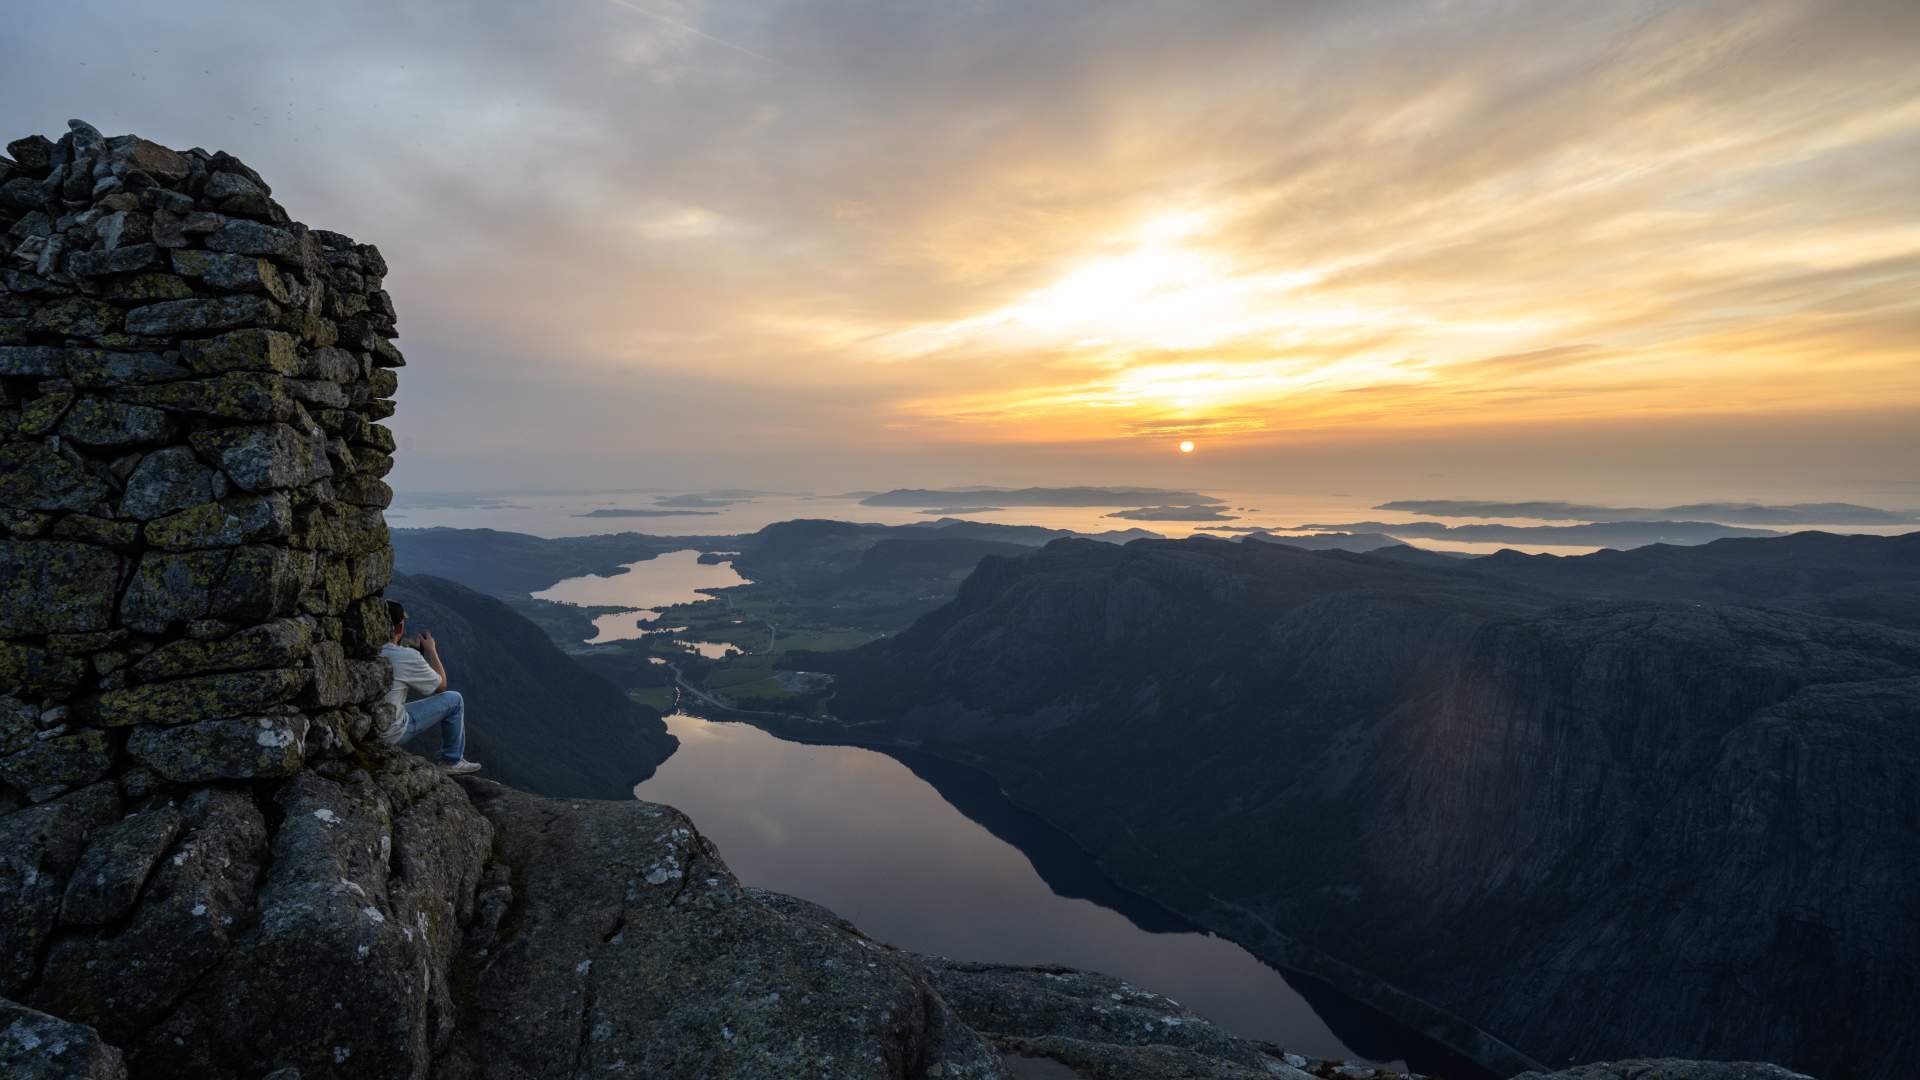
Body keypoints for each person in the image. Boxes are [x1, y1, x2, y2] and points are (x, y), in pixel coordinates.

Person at [379, 600, 483, 775]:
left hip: (366, 726)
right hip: (390, 732)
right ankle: (451, 760)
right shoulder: (406, 656)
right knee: (454, 699)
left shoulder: (363, 648)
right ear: (400, 627)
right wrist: (431, 650)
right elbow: (441, 686)